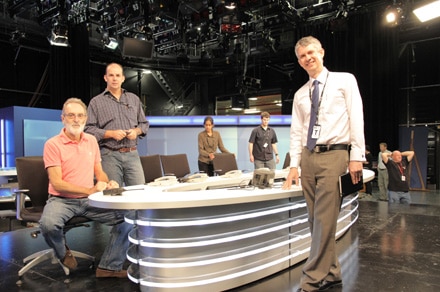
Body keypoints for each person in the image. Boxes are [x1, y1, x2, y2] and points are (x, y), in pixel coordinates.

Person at [282, 36, 365, 292]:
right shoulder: (299, 94)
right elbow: (297, 132)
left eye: (311, 53)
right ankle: (331, 272)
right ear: (299, 62)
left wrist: (356, 156)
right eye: (302, 56)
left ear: (322, 52)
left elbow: (356, 117)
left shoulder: (344, 80)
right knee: (314, 220)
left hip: (335, 155)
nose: (308, 58)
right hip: (308, 158)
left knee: (324, 220)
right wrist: (294, 165)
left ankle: (310, 278)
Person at [40, 98, 132, 278]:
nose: (76, 119)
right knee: (48, 225)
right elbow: (57, 183)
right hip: (61, 200)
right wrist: (89, 190)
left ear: (86, 118)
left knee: (130, 216)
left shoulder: (91, 141)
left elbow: (100, 172)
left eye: (80, 115)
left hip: (90, 200)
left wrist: (107, 182)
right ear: (63, 118)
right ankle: (62, 253)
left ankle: (109, 266)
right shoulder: (52, 144)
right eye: (71, 115)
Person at [85, 62, 149, 187]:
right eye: (111, 75)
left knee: (139, 192)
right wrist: (110, 134)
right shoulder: (96, 102)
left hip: (132, 153)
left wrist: (136, 131)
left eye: (118, 75)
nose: (114, 78)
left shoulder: (133, 99)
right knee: (113, 194)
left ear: (123, 78)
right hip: (109, 155)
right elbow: (88, 129)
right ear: (105, 78)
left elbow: (144, 124)